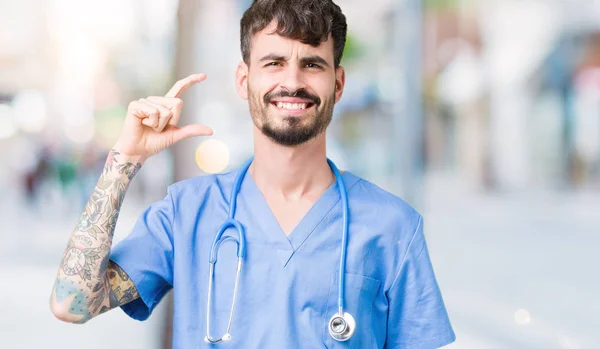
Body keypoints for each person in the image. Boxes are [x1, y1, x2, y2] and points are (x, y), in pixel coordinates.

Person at [50, 0, 456, 347]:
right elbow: (72, 304)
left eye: (312, 64)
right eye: (274, 63)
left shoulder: (393, 227)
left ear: (338, 82)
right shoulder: (186, 213)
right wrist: (124, 160)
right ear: (245, 80)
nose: (292, 82)